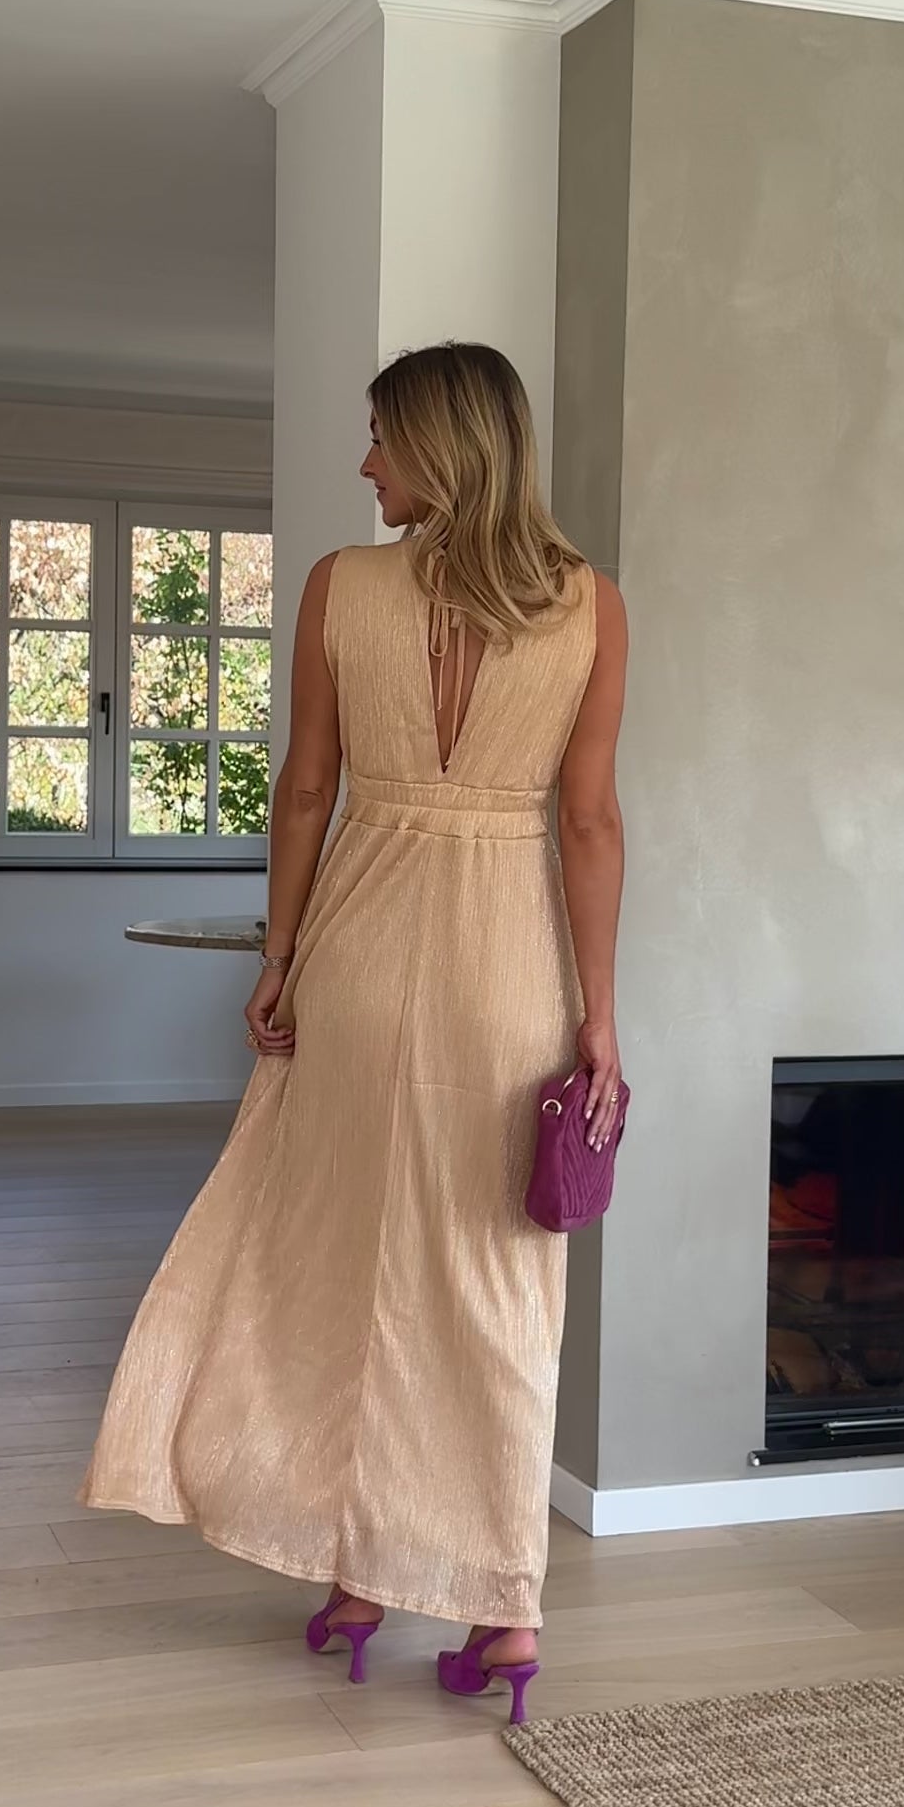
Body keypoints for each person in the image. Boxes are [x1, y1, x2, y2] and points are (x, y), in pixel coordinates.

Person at [78, 341, 627, 1726]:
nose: (365, 462)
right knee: (497, 1288)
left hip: (362, 955)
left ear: (439, 448)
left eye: (382, 436)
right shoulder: (591, 606)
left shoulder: (341, 585)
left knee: (334, 1257)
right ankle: (503, 1609)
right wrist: (600, 1017)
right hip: (509, 971)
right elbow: (588, 822)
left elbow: (307, 789)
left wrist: (277, 959)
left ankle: (358, 1578)